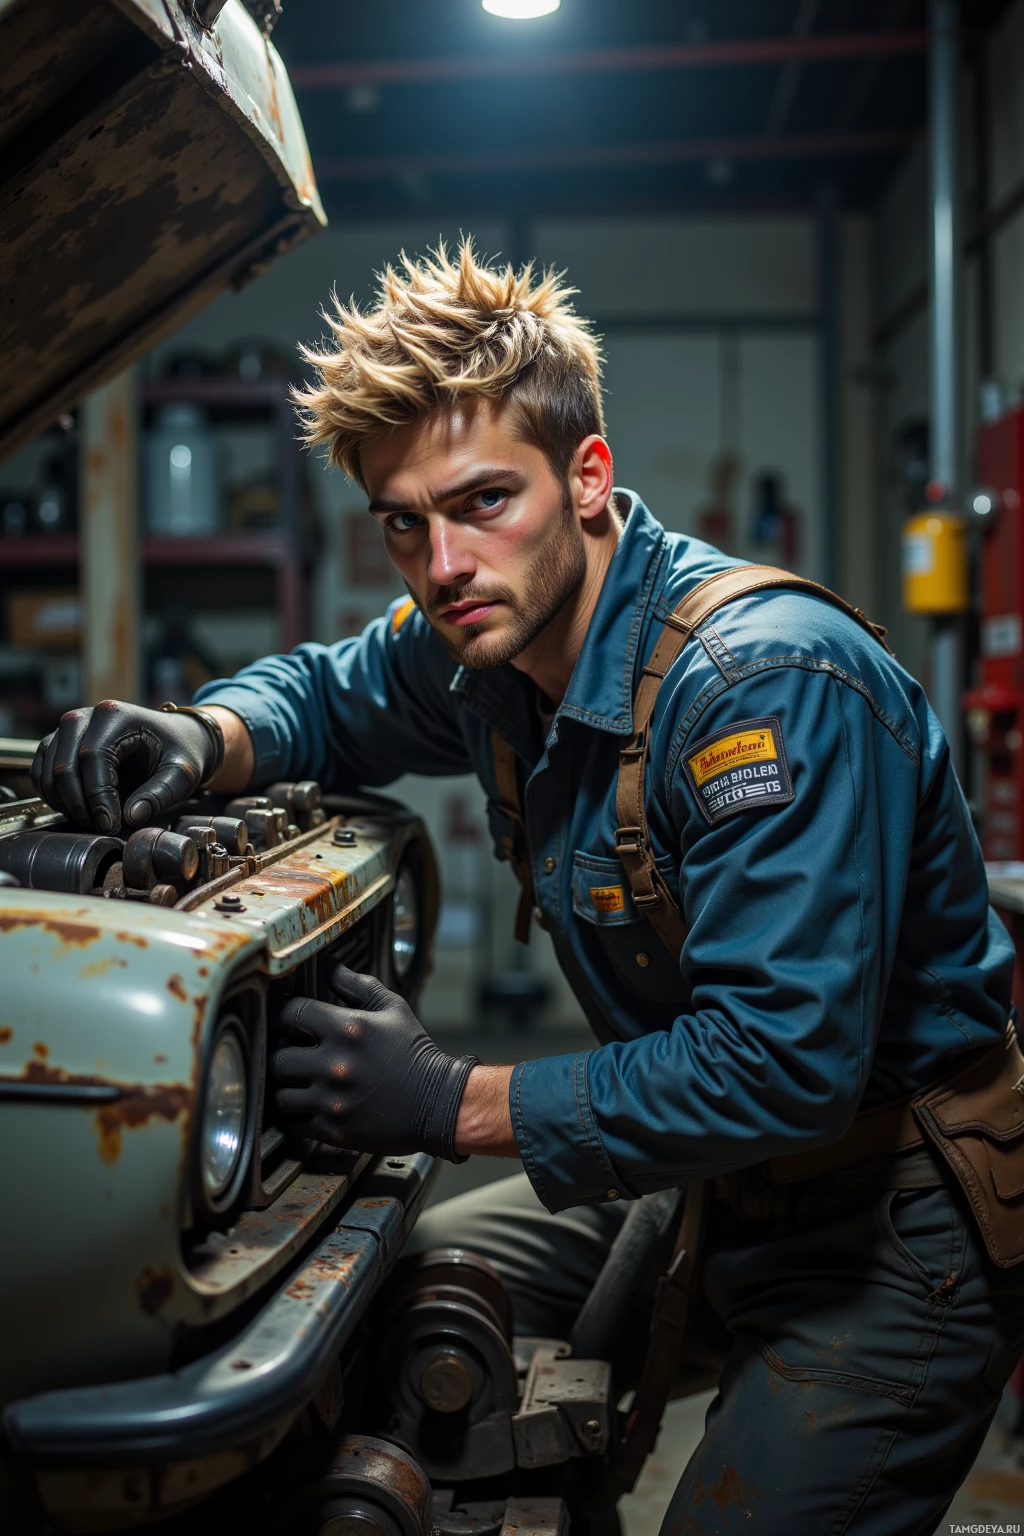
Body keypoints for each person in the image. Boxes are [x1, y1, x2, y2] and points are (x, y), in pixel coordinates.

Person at [35, 241, 1024, 1534]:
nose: (442, 562)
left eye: (484, 500)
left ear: (589, 479)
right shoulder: (484, 644)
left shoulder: (757, 687)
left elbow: (785, 1064)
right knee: (369, 1311)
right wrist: (199, 735)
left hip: (896, 1216)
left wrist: (455, 1100)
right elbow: (330, 693)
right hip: (719, 1175)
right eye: (404, 522)